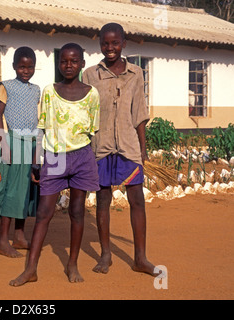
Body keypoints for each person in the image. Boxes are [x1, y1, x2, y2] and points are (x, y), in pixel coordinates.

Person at [10, 43, 100, 286]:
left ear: (82, 63)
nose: (68, 65)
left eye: (73, 61)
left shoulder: (92, 94)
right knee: (43, 213)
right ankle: (31, 269)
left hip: (82, 156)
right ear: (58, 64)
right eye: (63, 61)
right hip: (55, 156)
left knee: (77, 211)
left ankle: (72, 264)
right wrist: (36, 161)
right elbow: (42, 127)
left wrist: (82, 156)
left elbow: (91, 131)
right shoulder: (50, 91)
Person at [82, 22, 158, 276]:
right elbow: (85, 112)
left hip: (128, 147)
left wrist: (143, 149)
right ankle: (105, 255)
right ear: (100, 44)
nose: (110, 47)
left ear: (124, 43)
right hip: (101, 147)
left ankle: (140, 258)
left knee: (137, 200)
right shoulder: (91, 74)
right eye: (105, 43)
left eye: (115, 43)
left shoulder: (136, 74)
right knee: (103, 200)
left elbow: (139, 113)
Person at [0, 46, 40, 258]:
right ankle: (2, 241)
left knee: (26, 192)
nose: (25, 71)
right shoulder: (6, 86)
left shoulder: (36, 89)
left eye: (29, 67)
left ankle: (19, 236)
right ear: (14, 67)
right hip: (12, 142)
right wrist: (4, 142)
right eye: (21, 67)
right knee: (11, 192)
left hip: (31, 142)